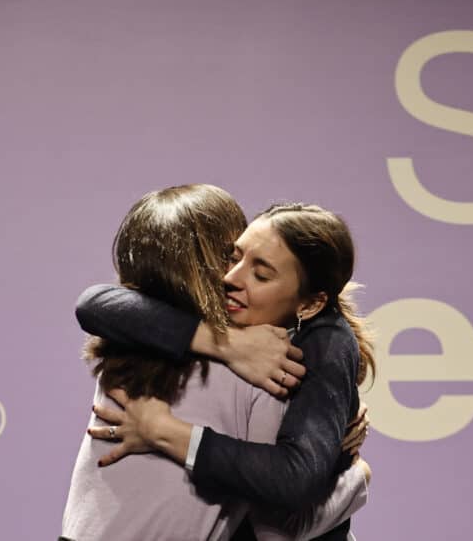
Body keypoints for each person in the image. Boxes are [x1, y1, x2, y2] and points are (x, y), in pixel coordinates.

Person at [62, 184, 368, 541]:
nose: (231, 277)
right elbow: (281, 522)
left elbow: (292, 481)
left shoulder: (128, 346)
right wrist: (356, 477)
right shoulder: (256, 370)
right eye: (233, 256)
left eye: (261, 272)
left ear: (310, 303)